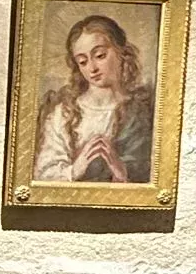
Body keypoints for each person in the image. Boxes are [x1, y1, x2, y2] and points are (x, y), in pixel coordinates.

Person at [33, 14, 155, 183]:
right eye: (83, 62)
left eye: (99, 56)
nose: (92, 68)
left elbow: (151, 175)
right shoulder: (64, 113)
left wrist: (121, 171)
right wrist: (75, 169)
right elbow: (44, 174)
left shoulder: (142, 111)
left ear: (122, 52)